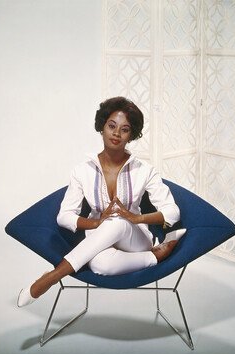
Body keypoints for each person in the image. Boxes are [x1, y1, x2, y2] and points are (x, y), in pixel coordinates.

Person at [17, 97, 186, 307]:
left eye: (124, 129)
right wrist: (96, 223)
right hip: (99, 238)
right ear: (102, 127)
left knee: (116, 221)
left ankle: (49, 278)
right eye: (111, 126)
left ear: (131, 135)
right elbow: (65, 216)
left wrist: (136, 217)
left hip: (135, 238)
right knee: (99, 265)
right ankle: (154, 256)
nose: (116, 133)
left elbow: (172, 212)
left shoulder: (144, 170)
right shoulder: (82, 171)